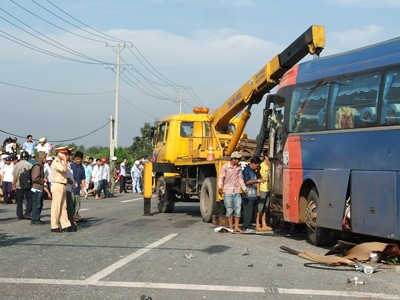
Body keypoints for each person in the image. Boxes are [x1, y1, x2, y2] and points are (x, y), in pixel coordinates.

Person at [218, 151, 247, 233]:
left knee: (238, 209)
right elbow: (221, 177)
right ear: (233, 159)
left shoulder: (238, 168)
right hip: (227, 191)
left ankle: (237, 227)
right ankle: (231, 227)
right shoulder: (225, 167)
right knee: (229, 209)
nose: (239, 160)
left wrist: (244, 189)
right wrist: (220, 187)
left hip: (237, 191)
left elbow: (240, 179)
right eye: (238, 159)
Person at [50, 146, 74, 233]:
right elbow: (64, 170)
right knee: (56, 207)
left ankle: (65, 225)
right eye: (64, 153)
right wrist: (65, 159)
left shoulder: (60, 162)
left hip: (63, 185)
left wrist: (64, 160)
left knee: (63, 207)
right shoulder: (55, 162)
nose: (65, 155)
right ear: (59, 153)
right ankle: (54, 225)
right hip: (57, 185)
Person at [242, 156, 263, 232]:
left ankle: (249, 224)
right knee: (248, 210)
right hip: (248, 194)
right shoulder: (246, 171)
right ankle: (246, 226)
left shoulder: (253, 171)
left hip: (253, 194)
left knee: (251, 210)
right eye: (257, 166)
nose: (257, 167)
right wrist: (258, 180)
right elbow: (247, 182)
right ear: (253, 164)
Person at [12, 151, 33, 219]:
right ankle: (27, 213)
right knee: (30, 199)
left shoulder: (16, 165)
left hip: (19, 185)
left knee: (19, 201)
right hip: (27, 185)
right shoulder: (29, 165)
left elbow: (15, 177)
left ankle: (19, 215)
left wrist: (13, 184)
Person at [257, 154, 273, 232]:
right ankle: (257, 224)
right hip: (262, 188)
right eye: (269, 156)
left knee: (265, 207)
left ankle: (264, 224)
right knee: (260, 207)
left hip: (268, 188)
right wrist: (258, 191)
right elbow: (258, 178)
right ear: (265, 156)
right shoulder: (261, 166)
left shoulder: (269, 166)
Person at [30, 151, 47, 225]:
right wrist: (43, 180)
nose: (45, 159)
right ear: (41, 157)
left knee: (39, 204)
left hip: (39, 188)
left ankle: (37, 218)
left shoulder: (41, 165)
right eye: (44, 157)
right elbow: (35, 178)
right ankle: (34, 220)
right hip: (37, 188)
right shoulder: (37, 166)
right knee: (37, 205)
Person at [71, 151, 86, 223]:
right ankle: (72, 218)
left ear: (81, 159)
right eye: (76, 159)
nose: (77, 161)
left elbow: (83, 179)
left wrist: (84, 188)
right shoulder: (71, 166)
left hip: (77, 189)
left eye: (79, 159)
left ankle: (76, 216)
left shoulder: (82, 168)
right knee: (71, 204)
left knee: (77, 204)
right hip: (71, 188)